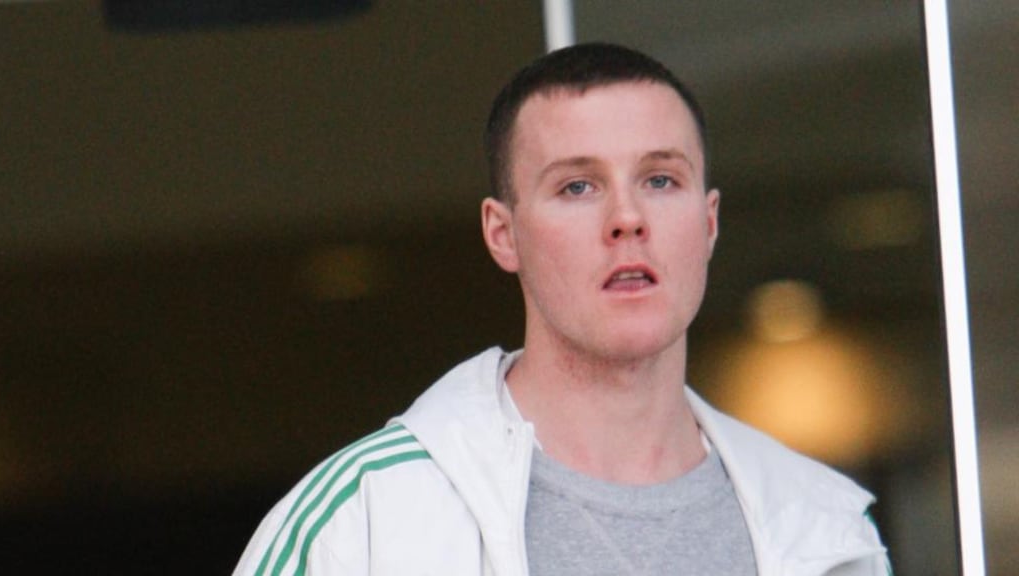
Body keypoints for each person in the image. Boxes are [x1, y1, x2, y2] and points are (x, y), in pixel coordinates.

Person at [233, 42, 891, 576]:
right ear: (503, 234)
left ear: (710, 222)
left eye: (660, 180)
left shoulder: (824, 529)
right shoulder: (365, 522)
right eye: (577, 186)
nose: (627, 218)